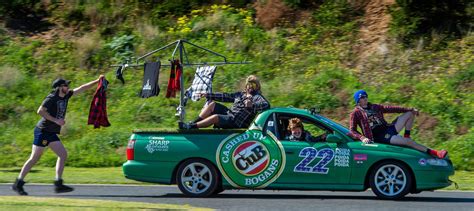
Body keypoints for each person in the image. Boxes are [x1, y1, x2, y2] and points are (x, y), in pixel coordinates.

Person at [12, 75, 104, 195]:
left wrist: (97, 81)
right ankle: (18, 183)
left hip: (51, 132)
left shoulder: (66, 96)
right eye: (66, 85)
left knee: (63, 154)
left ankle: (58, 184)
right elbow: (40, 111)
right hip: (43, 131)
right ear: (60, 87)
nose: (68, 87)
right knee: (34, 158)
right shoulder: (51, 98)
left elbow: (82, 88)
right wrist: (56, 120)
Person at [348, 90, 447, 159]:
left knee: (410, 113)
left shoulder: (374, 106)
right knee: (409, 143)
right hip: (380, 137)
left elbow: (391, 108)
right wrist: (362, 138)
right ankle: (436, 153)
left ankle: (407, 136)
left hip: (388, 129)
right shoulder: (355, 113)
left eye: (366, 96)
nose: (365, 98)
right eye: (362, 97)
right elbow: (352, 130)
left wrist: (410, 109)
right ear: (358, 100)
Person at [179, 75, 270, 129]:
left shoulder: (257, 97)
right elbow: (225, 96)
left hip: (236, 123)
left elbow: (266, 105)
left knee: (216, 117)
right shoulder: (240, 94)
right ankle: (193, 123)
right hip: (229, 114)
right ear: (245, 86)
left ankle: (192, 127)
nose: (250, 87)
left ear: (257, 87)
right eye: (248, 84)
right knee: (213, 104)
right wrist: (209, 95)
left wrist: (252, 105)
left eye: (253, 85)